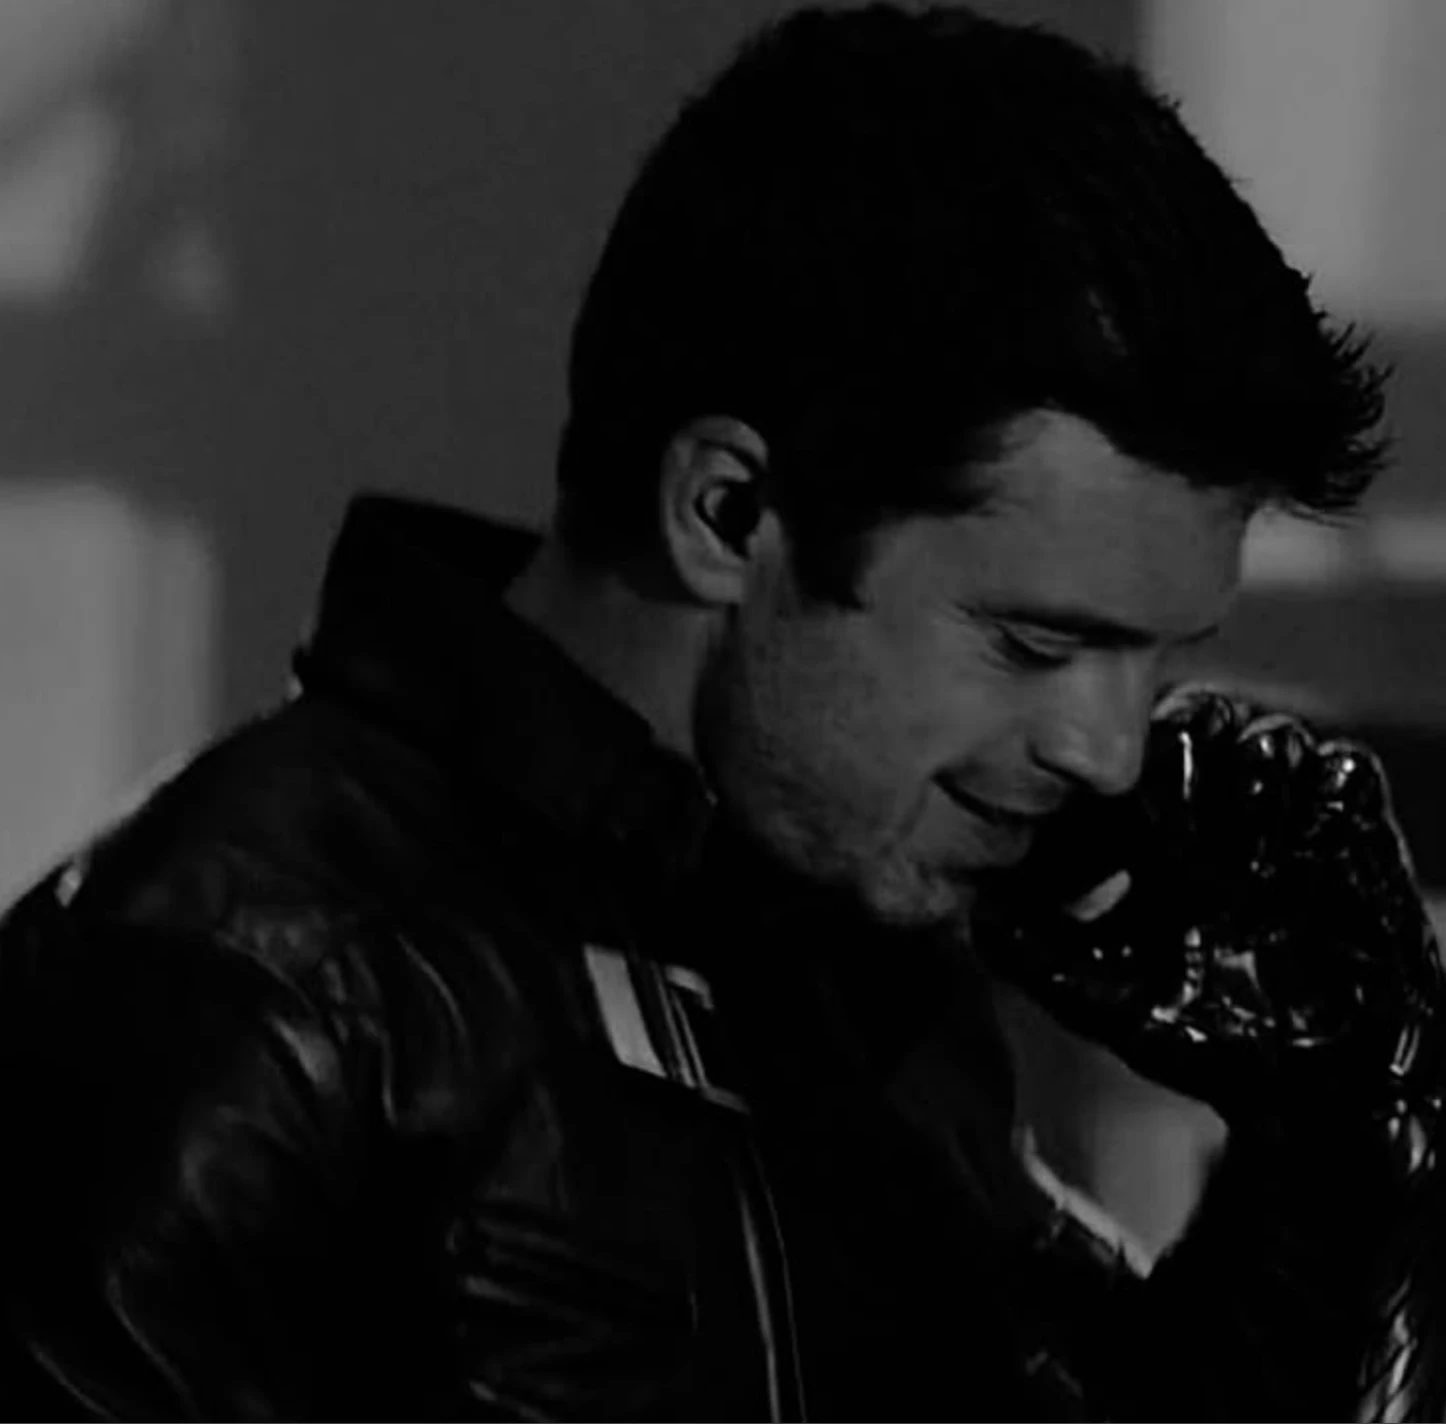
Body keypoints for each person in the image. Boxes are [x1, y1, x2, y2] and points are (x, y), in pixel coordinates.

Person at [1, 4, 1443, 1418]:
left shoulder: (849, 953)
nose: (1107, 749)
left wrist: (1326, 1146)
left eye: (1159, 658)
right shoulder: (245, 986)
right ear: (726, 513)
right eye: (1035, 642)